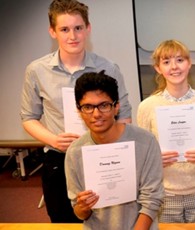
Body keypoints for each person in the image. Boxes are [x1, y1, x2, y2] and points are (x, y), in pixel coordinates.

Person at [20, 0, 132, 223]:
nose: (73, 36)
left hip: (103, 158)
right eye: (64, 29)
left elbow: (125, 116)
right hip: (59, 159)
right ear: (52, 31)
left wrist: (107, 140)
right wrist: (54, 140)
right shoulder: (36, 70)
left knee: (109, 221)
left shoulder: (109, 68)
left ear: (88, 29)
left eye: (78, 28)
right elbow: (28, 118)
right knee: (63, 221)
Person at [65, 71, 164, 229]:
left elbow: (152, 200)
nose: (96, 114)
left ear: (116, 107)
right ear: (79, 110)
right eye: (88, 107)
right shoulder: (75, 152)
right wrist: (82, 207)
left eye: (104, 105)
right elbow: (79, 212)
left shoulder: (145, 142)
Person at [137, 40, 195, 223]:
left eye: (180, 60)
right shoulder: (147, 107)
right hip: (163, 195)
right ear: (158, 68)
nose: (174, 67)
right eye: (166, 62)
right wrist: (155, 158)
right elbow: (142, 157)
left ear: (189, 64)